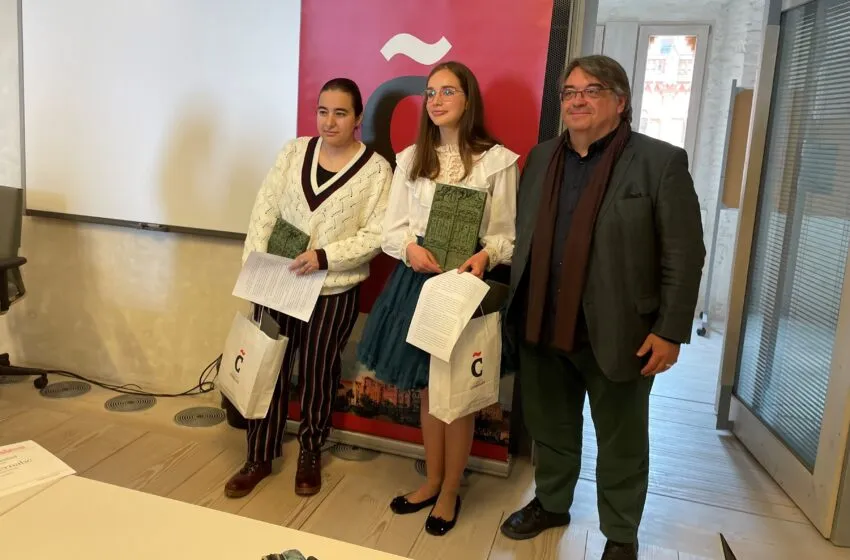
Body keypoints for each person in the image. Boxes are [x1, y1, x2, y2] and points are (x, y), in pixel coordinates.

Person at [499, 55, 705, 560]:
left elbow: (684, 252)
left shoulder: (660, 161)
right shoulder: (542, 157)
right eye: (569, 92)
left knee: (622, 443)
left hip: (620, 331)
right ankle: (551, 503)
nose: (577, 100)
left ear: (620, 101)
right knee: (550, 428)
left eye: (591, 90)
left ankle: (620, 534)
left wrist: (670, 330)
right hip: (542, 322)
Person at [357, 61, 518, 536]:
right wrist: (409, 248)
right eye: (430, 93)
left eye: (448, 91)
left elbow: (507, 234)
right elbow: (392, 231)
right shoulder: (409, 158)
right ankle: (431, 480)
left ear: (469, 99)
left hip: (467, 284)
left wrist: (485, 257)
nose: (437, 100)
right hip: (418, 280)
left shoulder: (498, 161)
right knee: (429, 388)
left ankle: (451, 490)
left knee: (458, 394)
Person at [225, 78, 393, 499]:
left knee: (319, 375)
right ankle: (258, 455)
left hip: (330, 289)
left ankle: (310, 453)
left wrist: (325, 256)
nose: (329, 121)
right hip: (277, 280)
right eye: (323, 111)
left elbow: (377, 234)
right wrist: (255, 266)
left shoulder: (376, 170)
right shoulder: (293, 151)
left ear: (357, 119)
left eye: (340, 113)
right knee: (269, 368)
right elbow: (264, 207)